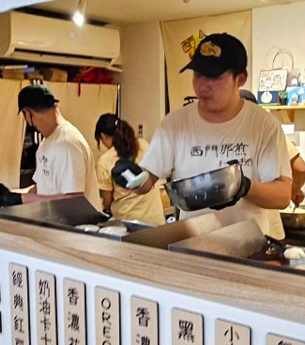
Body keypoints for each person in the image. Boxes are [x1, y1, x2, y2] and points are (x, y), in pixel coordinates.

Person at [119, 33, 292, 238]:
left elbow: (282, 196)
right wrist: (129, 176)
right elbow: (146, 182)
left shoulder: (263, 125)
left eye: (215, 76)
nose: (203, 85)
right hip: (191, 245)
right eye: (198, 75)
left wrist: (244, 187)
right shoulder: (174, 124)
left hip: (248, 248)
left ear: (241, 79)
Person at [0, 84, 100, 209]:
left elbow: (73, 200)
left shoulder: (67, 143)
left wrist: (22, 199)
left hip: (76, 227)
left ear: (28, 114)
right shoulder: (47, 143)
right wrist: (8, 194)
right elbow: (40, 188)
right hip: (57, 224)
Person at [238, 89, 305, 206]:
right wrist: (293, 189)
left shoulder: (219, 132)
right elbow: (300, 168)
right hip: (266, 209)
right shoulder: (267, 130)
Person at [93, 113, 164, 225]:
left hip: (129, 224)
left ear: (103, 136)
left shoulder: (105, 160)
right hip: (156, 219)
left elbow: (107, 202)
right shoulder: (143, 144)